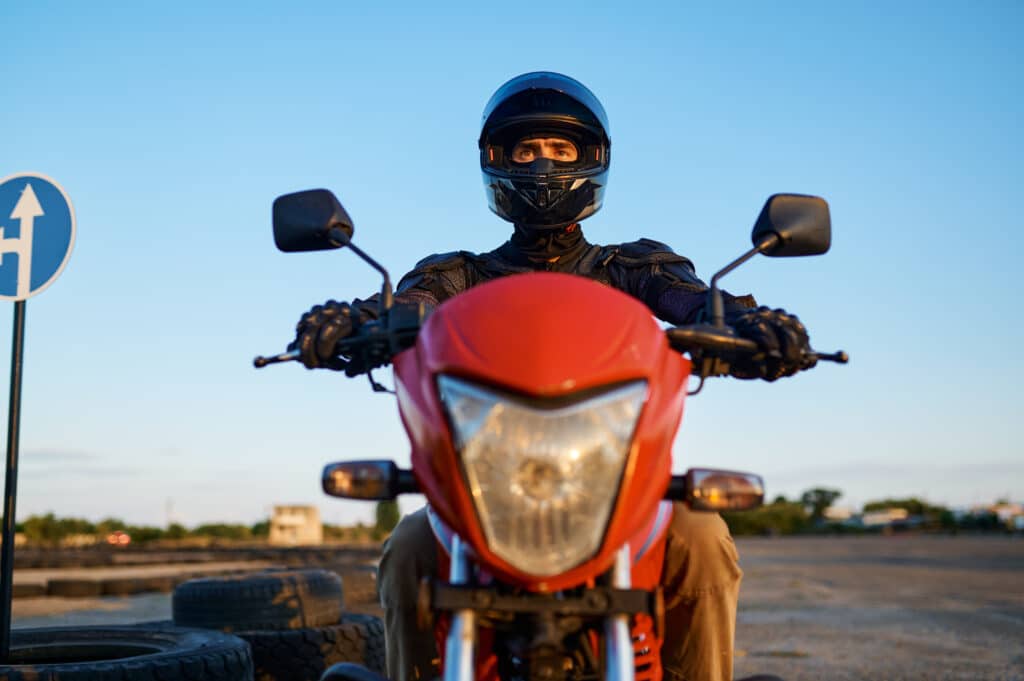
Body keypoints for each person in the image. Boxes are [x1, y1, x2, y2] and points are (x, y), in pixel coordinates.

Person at [291, 72, 814, 681]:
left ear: (592, 160)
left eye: (561, 150)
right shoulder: (455, 274)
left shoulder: (634, 266)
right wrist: (353, 320)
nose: (543, 164)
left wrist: (753, 325)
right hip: (485, 481)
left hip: (611, 474)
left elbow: (696, 303)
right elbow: (412, 308)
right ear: (497, 161)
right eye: (526, 149)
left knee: (703, 540)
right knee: (408, 547)